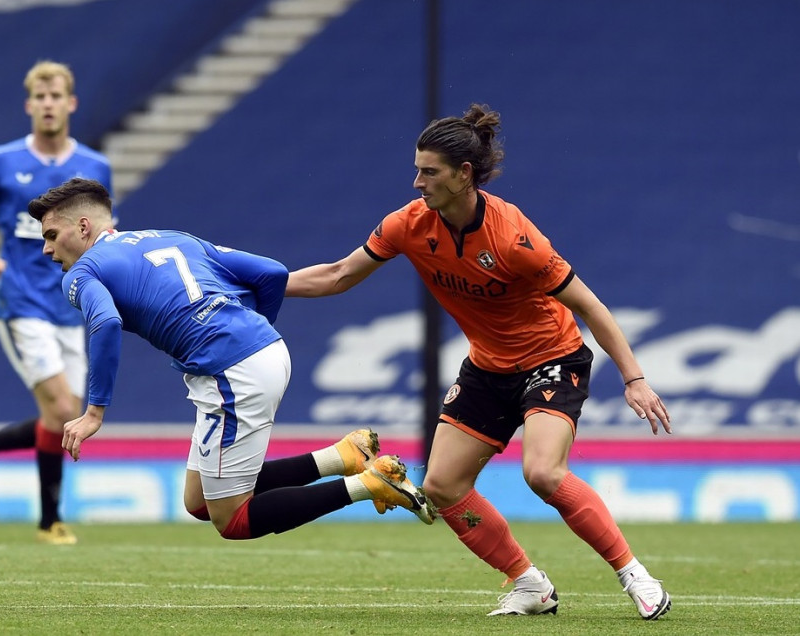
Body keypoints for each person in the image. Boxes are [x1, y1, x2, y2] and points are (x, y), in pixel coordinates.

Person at [285, 104, 673, 620]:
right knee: (441, 486)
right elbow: (337, 275)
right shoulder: (407, 224)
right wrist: (261, 286)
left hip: (551, 359)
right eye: (417, 168)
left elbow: (589, 306)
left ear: (463, 174)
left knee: (543, 473)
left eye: (429, 171)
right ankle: (529, 585)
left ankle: (636, 576)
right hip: (488, 368)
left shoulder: (515, 237)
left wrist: (635, 379)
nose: (417, 181)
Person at [27, 177, 435, 540]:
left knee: (233, 521)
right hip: (262, 352)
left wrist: (94, 412)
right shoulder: (172, 237)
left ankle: (371, 484)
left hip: (231, 371)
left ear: (83, 227)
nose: (46, 249)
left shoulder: (81, 272)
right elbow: (271, 273)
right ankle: (344, 456)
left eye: (50, 234)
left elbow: (105, 324)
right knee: (200, 501)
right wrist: (250, 332)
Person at [0, 60, 112, 545]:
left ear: (70, 103)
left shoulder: (95, 166)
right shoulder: (0, 161)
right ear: (29, 105)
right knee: (64, 408)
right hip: (21, 302)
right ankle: (49, 523)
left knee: (60, 414)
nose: (47, 104)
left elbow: (105, 235)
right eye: (40, 97)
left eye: (56, 95)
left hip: (70, 302)